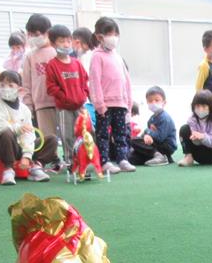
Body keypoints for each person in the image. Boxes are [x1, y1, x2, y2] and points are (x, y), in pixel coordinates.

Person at [0, 70, 54, 184]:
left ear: (19, 89)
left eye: (10, 85)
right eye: (2, 85)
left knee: (51, 140)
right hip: (3, 147)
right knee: (6, 133)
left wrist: (27, 155)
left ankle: (35, 166)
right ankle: (8, 169)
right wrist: (18, 128)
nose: (5, 88)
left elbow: (29, 134)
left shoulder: (24, 109)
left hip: (21, 147)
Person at [88, 16, 135, 174]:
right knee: (102, 134)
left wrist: (128, 104)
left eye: (115, 34)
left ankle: (122, 159)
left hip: (121, 103)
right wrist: (99, 104)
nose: (113, 37)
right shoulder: (97, 56)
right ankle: (104, 161)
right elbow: (94, 81)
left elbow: (126, 80)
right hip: (105, 105)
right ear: (99, 37)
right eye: (109, 34)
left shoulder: (117, 56)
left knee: (121, 134)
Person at [45, 23, 89, 170]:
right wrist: (64, 98)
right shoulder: (52, 65)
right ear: (53, 44)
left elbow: (85, 81)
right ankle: (71, 161)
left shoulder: (77, 63)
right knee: (67, 135)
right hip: (64, 108)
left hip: (80, 106)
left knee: (86, 132)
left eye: (68, 41)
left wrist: (83, 96)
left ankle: (86, 158)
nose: (66, 44)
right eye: (61, 41)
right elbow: (51, 87)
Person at [21, 14, 58, 158]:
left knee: (68, 135)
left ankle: (71, 160)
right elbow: (26, 84)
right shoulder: (30, 56)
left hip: (61, 101)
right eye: (30, 35)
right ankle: (53, 159)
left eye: (36, 34)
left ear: (47, 32)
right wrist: (28, 105)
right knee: (48, 138)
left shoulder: (57, 51)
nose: (33, 38)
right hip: (41, 103)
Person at [178, 90, 212, 167]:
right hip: (197, 153)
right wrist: (197, 139)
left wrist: (203, 137)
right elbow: (195, 142)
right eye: (197, 106)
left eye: (204, 106)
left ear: (210, 107)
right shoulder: (192, 120)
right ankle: (188, 157)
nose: (200, 109)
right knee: (184, 129)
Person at [128, 86, 176, 166]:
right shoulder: (151, 119)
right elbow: (147, 135)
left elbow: (160, 137)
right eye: (150, 101)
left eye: (157, 100)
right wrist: (146, 135)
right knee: (131, 158)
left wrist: (148, 132)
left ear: (164, 103)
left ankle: (159, 156)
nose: (153, 103)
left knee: (133, 140)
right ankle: (164, 158)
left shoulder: (165, 118)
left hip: (165, 146)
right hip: (154, 144)